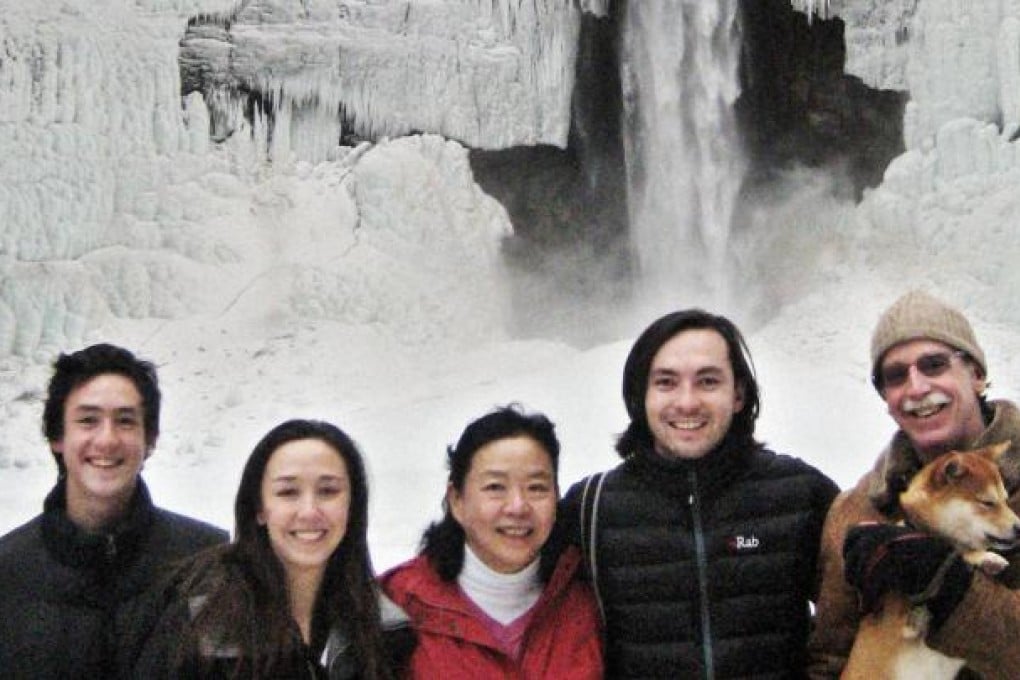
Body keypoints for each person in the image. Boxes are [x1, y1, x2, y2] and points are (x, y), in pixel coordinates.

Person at [561, 308, 839, 678]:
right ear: (639, 395)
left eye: (708, 381)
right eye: (666, 382)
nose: (687, 402)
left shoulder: (801, 494)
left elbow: (856, 622)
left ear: (738, 394)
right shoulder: (591, 509)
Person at [808, 290, 1020, 678]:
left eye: (934, 365)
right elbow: (829, 660)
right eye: (896, 376)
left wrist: (955, 588)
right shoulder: (857, 511)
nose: (917, 388)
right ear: (886, 398)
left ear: (977, 375)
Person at [0, 343, 228, 678]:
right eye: (88, 420)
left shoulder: (208, 562)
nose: (107, 440)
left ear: (149, 439)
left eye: (125, 421)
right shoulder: (8, 572)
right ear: (57, 437)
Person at [134, 418, 412, 678]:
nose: (309, 511)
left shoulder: (386, 631)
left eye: (328, 491)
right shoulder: (199, 624)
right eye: (288, 492)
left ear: (352, 506)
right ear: (259, 508)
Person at [380, 405, 603, 679]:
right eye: (495, 487)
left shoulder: (590, 600)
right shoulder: (396, 607)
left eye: (536, 488)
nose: (518, 507)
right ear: (457, 500)